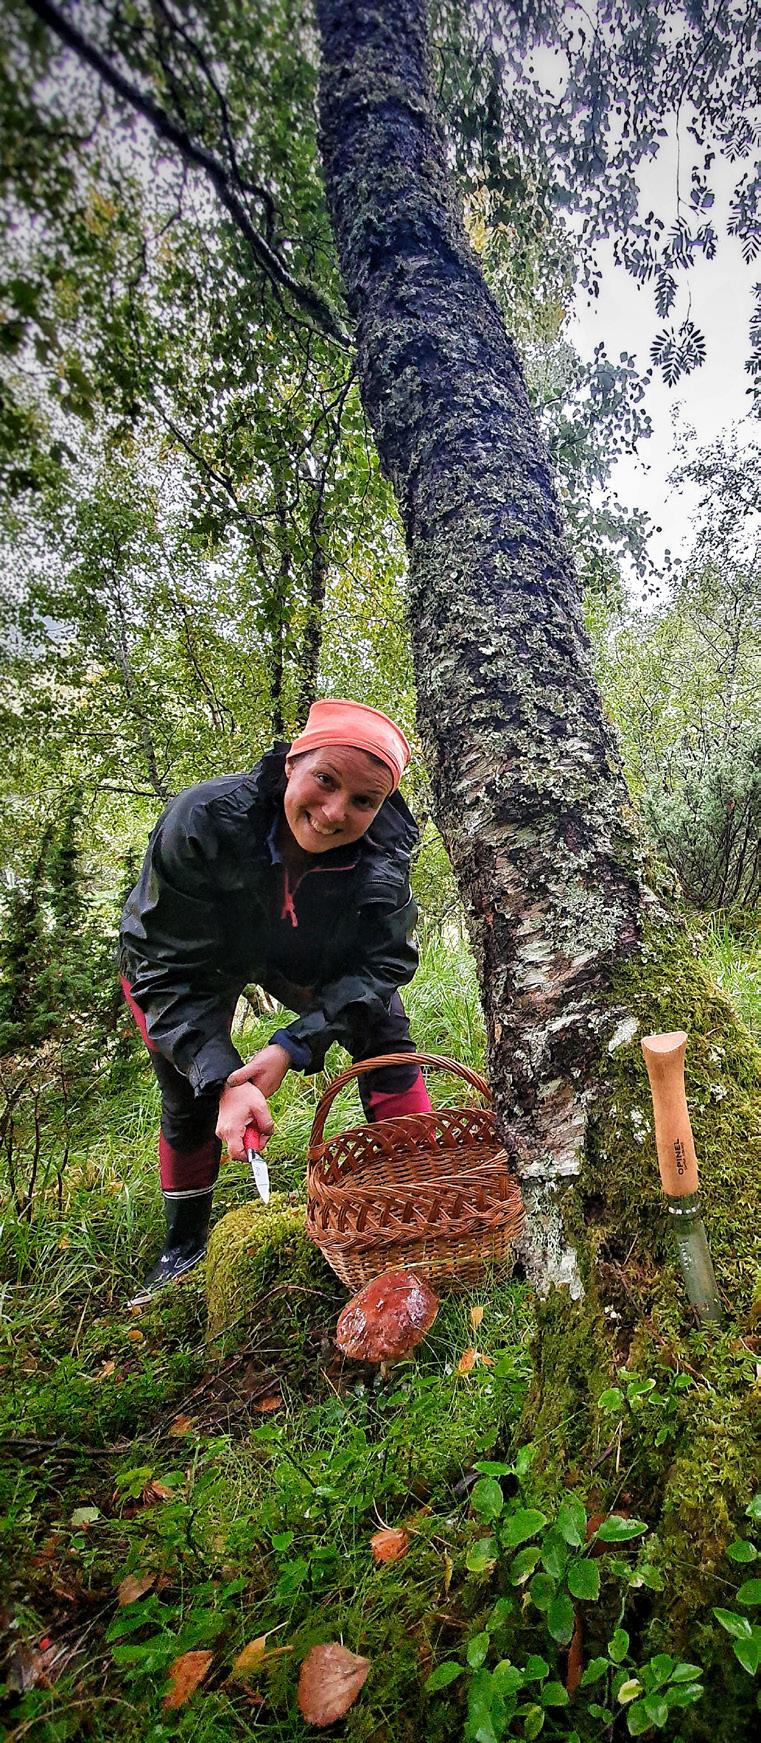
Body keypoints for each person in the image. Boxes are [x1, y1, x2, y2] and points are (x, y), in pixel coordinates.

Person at [119, 698, 432, 1303]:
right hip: (194, 960)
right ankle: (183, 1247)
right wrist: (222, 1079)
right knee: (189, 1088)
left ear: (381, 806)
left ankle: (422, 1203)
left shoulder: (385, 856)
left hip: (307, 954)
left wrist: (293, 1045)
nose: (335, 812)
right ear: (293, 763)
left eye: (364, 801)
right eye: (325, 780)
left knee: (387, 1042)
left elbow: (384, 965)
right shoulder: (204, 819)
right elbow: (162, 967)